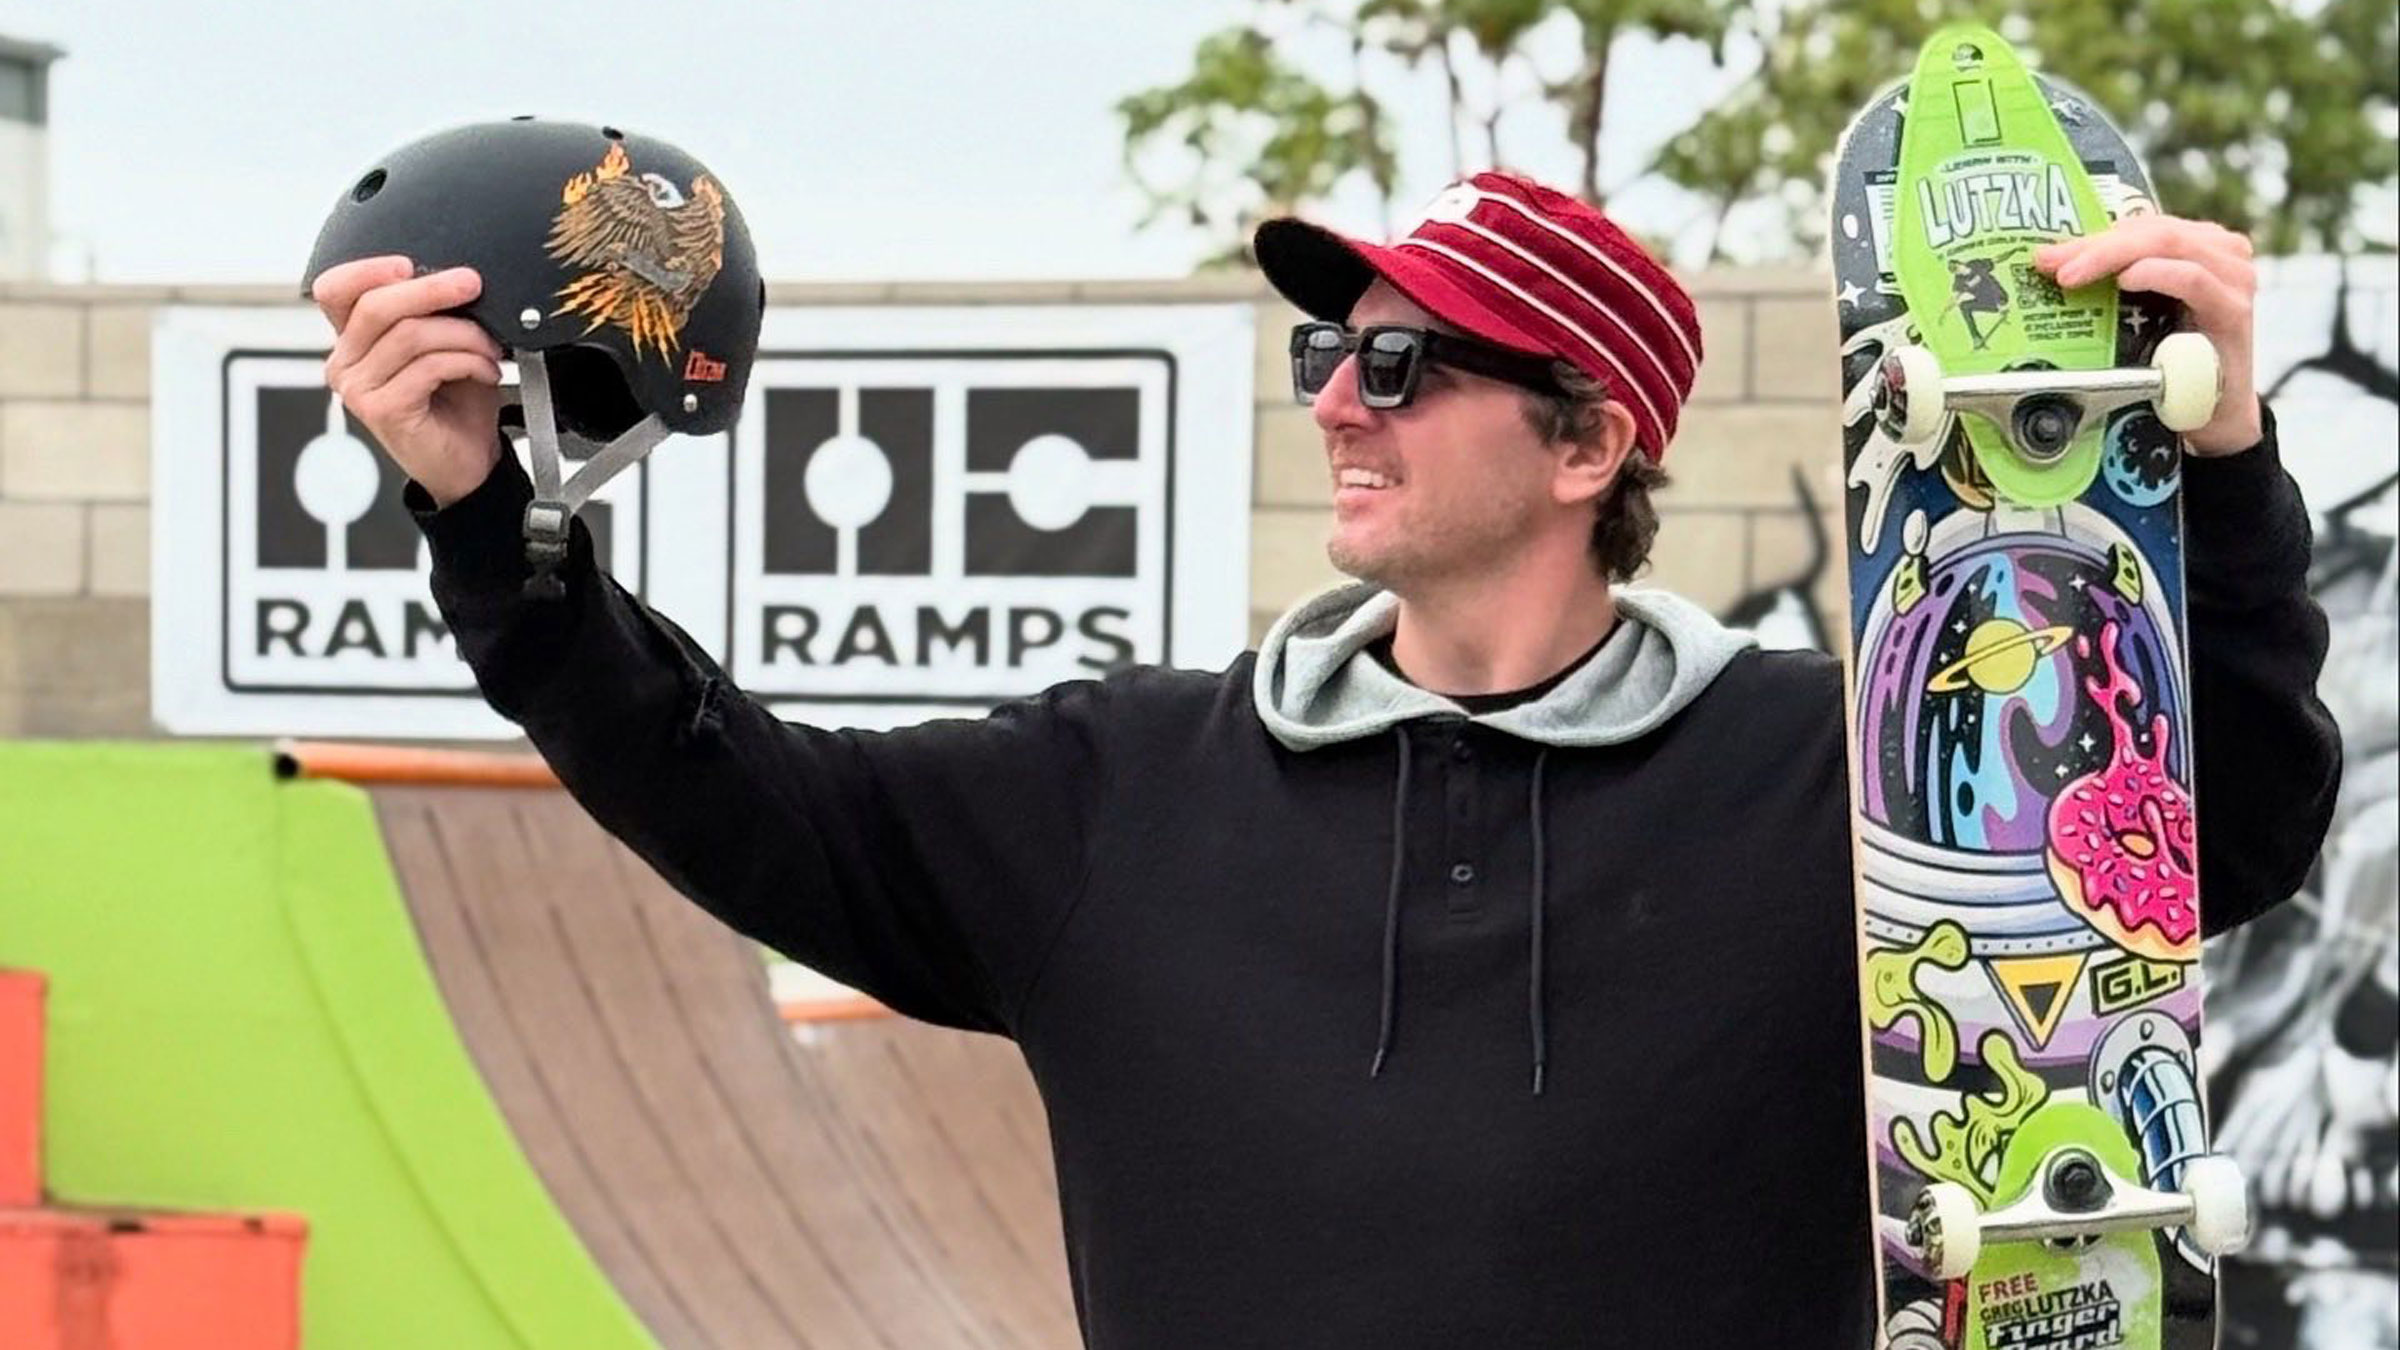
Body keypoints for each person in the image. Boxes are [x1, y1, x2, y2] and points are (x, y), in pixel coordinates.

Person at [312, 166, 2340, 1348]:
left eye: (1398, 363)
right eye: (1322, 357)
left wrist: (2222, 478)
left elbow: (2217, 840)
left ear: (1582, 443)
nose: (1338, 407)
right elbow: (728, 790)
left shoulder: (1844, 787)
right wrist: (497, 532)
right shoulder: (1115, 795)